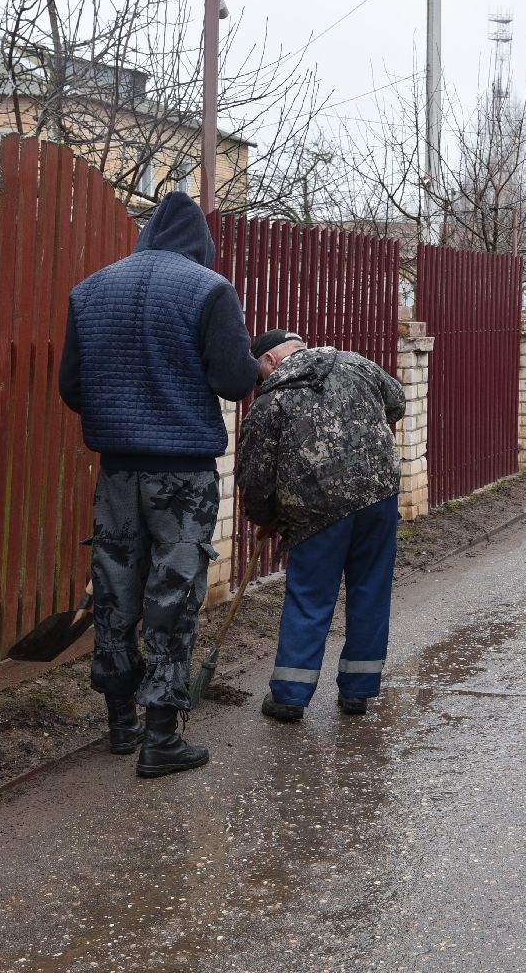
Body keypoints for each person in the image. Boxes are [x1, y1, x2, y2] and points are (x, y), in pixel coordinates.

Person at [58, 190, 258, 779]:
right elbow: (232, 378)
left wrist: (123, 406)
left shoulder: (91, 290)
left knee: (115, 591)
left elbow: (72, 387)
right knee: (173, 596)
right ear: (200, 246)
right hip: (182, 475)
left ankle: (119, 722)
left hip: (117, 470)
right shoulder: (210, 289)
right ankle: (161, 736)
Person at [236, 328, 407, 721]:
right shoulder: (358, 364)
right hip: (378, 497)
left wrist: (265, 518)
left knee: (310, 598)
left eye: (259, 373)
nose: (260, 381)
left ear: (271, 361)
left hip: (316, 512)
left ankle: (290, 698)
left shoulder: (273, 396)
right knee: (370, 591)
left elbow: (257, 473)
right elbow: (396, 402)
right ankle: (358, 693)